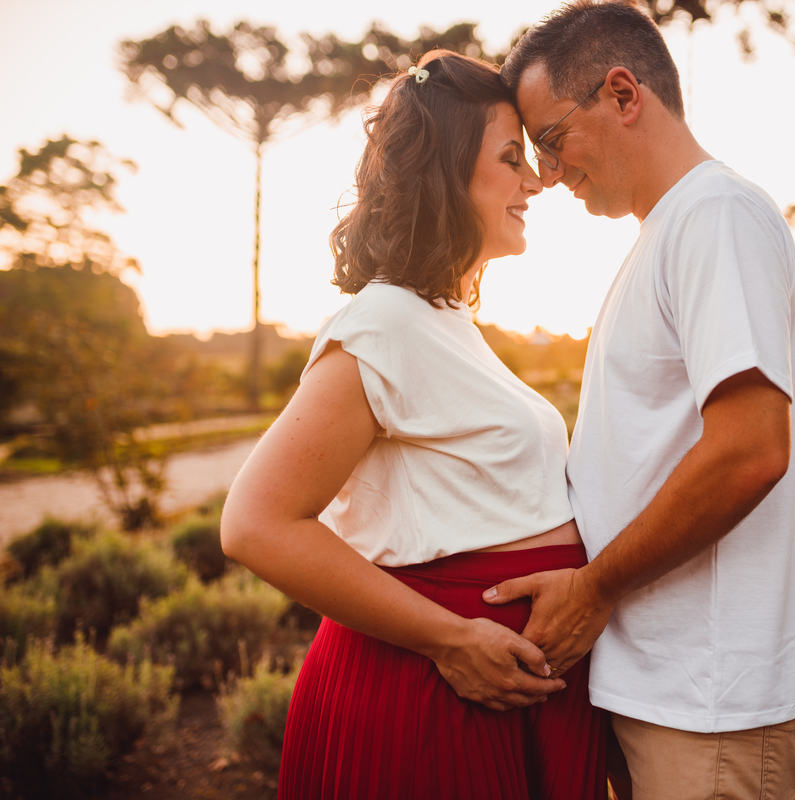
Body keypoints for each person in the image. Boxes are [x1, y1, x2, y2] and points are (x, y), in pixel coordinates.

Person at [220, 51, 607, 800]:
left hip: (497, 685)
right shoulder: (385, 319)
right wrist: (453, 638)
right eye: (509, 159)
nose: (534, 183)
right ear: (446, 172)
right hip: (430, 692)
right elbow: (256, 524)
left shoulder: (445, 318)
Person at [481, 2, 795, 798]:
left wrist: (593, 589)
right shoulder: (670, 231)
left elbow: (750, 449)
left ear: (623, 94)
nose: (552, 174)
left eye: (554, 141)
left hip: (709, 706)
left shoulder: (715, 217)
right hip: (665, 693)